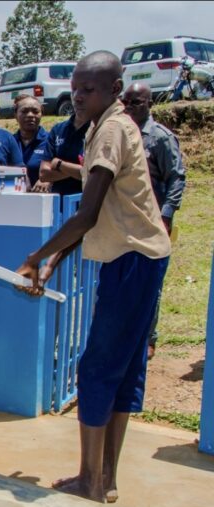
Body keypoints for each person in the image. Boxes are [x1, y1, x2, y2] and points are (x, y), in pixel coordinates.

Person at [15, 51, 171, 504]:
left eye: (89, 89)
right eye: (75, 88)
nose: (78, 97)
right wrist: (54, 262)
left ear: (114, 91)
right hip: (143, 258)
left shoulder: (108, 132)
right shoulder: (117, 127)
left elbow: (86, 213)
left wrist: (36, 255)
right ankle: (106, 478)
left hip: (132, 262)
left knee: (98, 367)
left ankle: (91, 481)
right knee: (122, 371)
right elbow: (103, 209)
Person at [122, 82, 186, 360]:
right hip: (124, 222)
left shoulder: (160, 138)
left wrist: (167, 215)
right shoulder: (123, 135)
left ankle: (149, 338)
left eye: (136, 102)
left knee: (151, 283)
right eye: (126, 102)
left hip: (154, 222)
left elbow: (176, 177)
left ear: (149, 104)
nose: (130, 107)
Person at [38, 111, 90, 198]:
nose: (79, 98)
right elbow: (44, 174)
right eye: (75, 96)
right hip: (59, 203)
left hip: (85, 201)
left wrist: (59, 164)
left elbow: (92, 175)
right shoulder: (58, 129)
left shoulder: (98, 130)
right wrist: (78, 170)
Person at [13, 94, 50, 191]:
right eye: (24, 111)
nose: (30, 115)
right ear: (15, 115)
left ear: (41, 114)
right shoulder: (9, 141)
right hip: (13, 200)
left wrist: (48, 179)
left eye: (35, 111)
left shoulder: (51, 141)